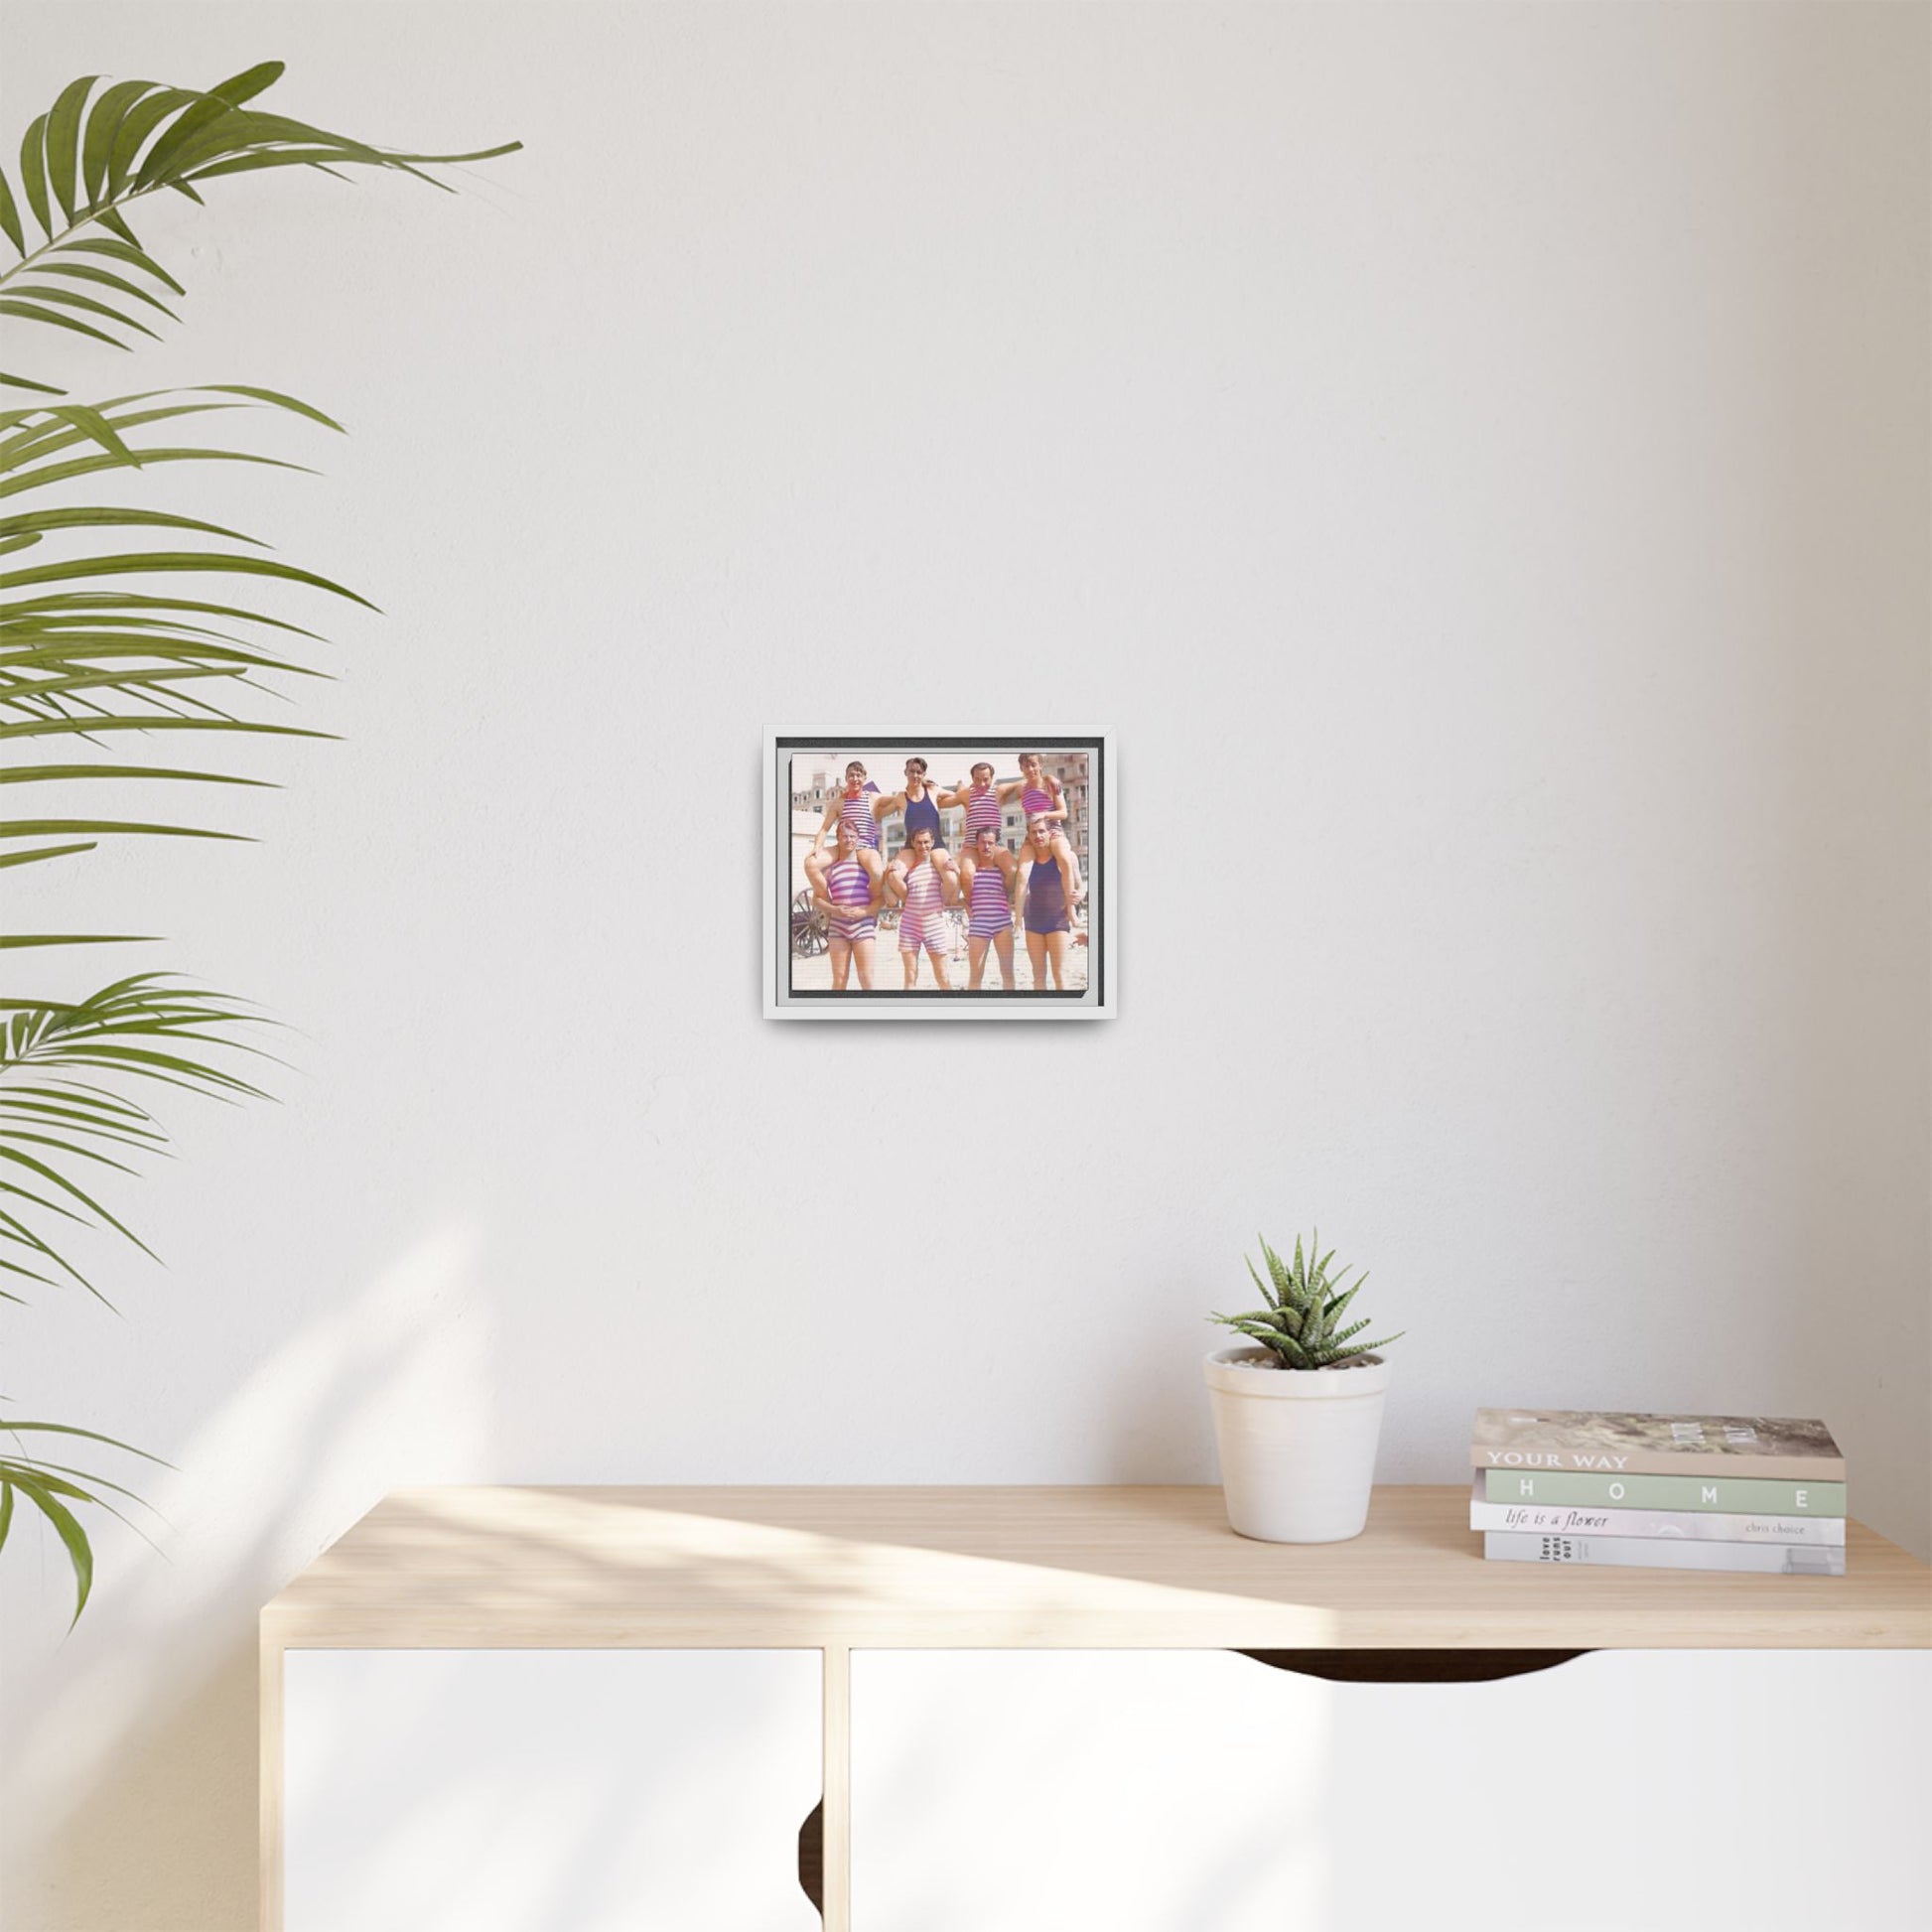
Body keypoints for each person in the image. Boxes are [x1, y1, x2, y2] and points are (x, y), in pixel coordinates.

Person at [805, 817, 884, 989]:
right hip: (837, 928)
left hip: (863, 927)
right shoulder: (830, 869)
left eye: (852, 836)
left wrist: (864, 912)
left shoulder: (866, 867)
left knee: (866, 979)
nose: (848, 840)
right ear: (838, 838)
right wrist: (834, 909)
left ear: (858, 839)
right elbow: (816, 899)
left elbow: (880, 899)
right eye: (844, 836)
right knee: (839, 979)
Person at [875, 757, 960, 897]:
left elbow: (957, 796)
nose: (915, 775)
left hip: (936, 845)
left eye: (919, 772)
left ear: (924, 775)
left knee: (951, 878)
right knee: (893, 876)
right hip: (911, 846)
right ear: (905, 772)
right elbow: (879, 814)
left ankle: (938, 906)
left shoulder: (933, 791)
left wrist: (934, 790)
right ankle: (911, 905)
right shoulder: (901, 797)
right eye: (912, 771)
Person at [885, 825, 956, 988]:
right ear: (912, 843)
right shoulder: (906, 869)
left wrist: (956, 869)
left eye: (926, 842)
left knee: (943, 977)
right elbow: (891, 899)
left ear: (932, 842)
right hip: (910, 927)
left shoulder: (939, 867)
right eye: (918, 842)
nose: (923, 846)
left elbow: (952, 890)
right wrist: (886, 874)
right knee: (910, 977)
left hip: (934, 926)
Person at [1018, 812, 1081, 991]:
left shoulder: (1067, 857)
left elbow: (1080, 887)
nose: (1038, 836)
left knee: (1059, 974)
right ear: (1028, 836)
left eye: (1041, 831)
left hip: (1058, 922)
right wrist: (1018, 920)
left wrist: (1079, 897)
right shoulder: (1027, 861)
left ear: (1049, 833)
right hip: (1033, 922)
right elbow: (1020, 886)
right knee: (1038, 976)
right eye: (1033, 832)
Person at [1014, 752, 1081, 907]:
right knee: (1022, 872)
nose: (1030, 769)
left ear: (1040, 765)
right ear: (1021, 769)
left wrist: (1044, 814)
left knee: (1064, 860)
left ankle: (1071, 910)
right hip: (1033, 834)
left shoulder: (1050, 784)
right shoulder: (1022, 789)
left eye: (1033, 765)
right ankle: (1018, 921)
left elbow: (1063, 813)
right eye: (1026, 766)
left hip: (1053, 831)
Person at [962, 822, 1021, 989]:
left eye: (990, 843)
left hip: (1002, 924)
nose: (986, 846)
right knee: (975, 976)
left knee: (1008, 974)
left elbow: (1013, 890)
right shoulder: (970, 871)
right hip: (978, 925)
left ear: (996, 845)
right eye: (982, 842)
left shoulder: (1003, 871)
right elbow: (957, 898)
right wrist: (965, 906)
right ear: (976, 844)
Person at [810, 759, 883, 855]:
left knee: (874, 867)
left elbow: (895, 801)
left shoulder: (872, 798)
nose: (855, 779)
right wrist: (817, 846)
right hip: (844, 848)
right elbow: (824, 829)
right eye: (851, 775)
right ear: (846, 778)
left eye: (858, 775)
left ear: (864, 778)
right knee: (811, 863)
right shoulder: (838, 803)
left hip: (865, 849)